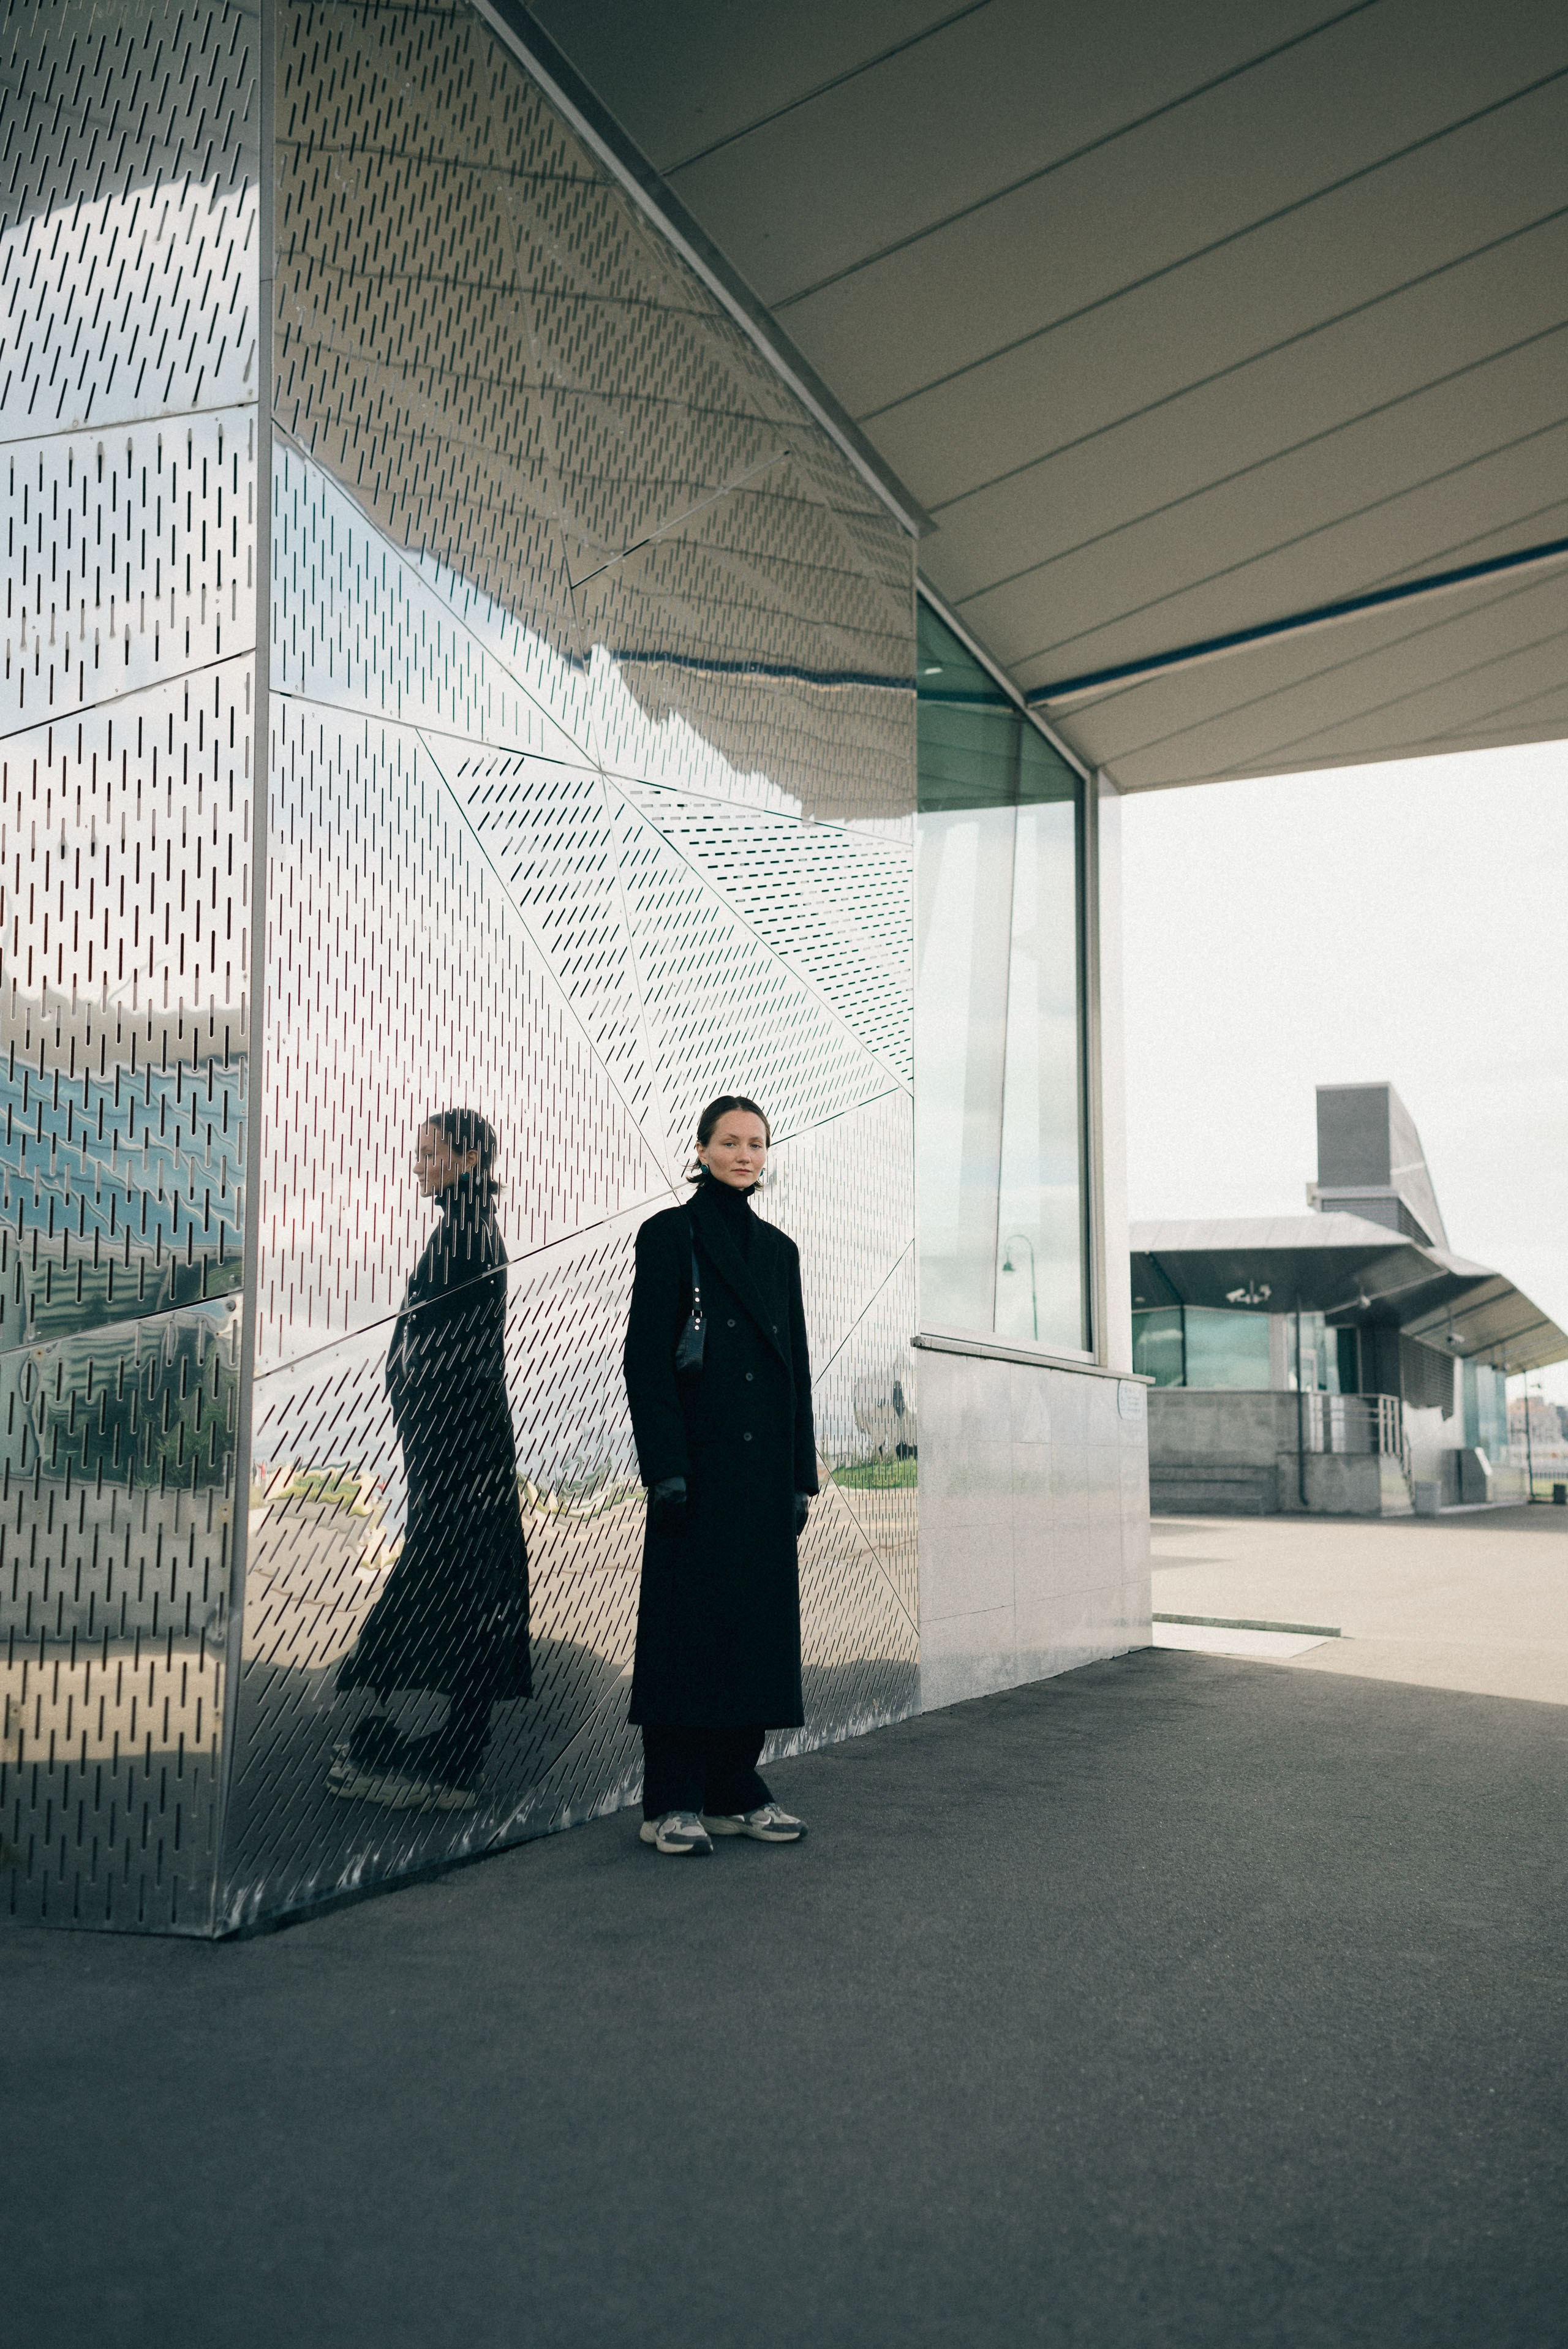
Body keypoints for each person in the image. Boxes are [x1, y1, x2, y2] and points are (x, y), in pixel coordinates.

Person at [622, 1095, 817, 1855]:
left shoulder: (780, 1250)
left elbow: (794, 1369)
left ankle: (735, 1789)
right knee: (686, 1636)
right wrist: (666, 1467)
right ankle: (670, 1801)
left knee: (755, 1636)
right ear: (701, 1149)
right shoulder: (670, 1233)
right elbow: (646, 1359)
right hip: (697, 1474)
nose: (744, 1154)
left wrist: (799, 1475)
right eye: (730, 1142)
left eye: (756, 1143)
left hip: (763, 1473)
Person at [330, 1110, 531, 1811]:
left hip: (457, 1449)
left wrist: (424, 1418)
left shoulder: (466, 1236)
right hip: (457, 1446)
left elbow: (451, 1357)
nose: (417, 1164)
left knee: (461, 1582)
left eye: (428, 1152)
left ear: (469, 1157)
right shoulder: (466, 1229)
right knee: (467, 1581)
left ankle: (455, 1755)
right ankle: (456, 1745)